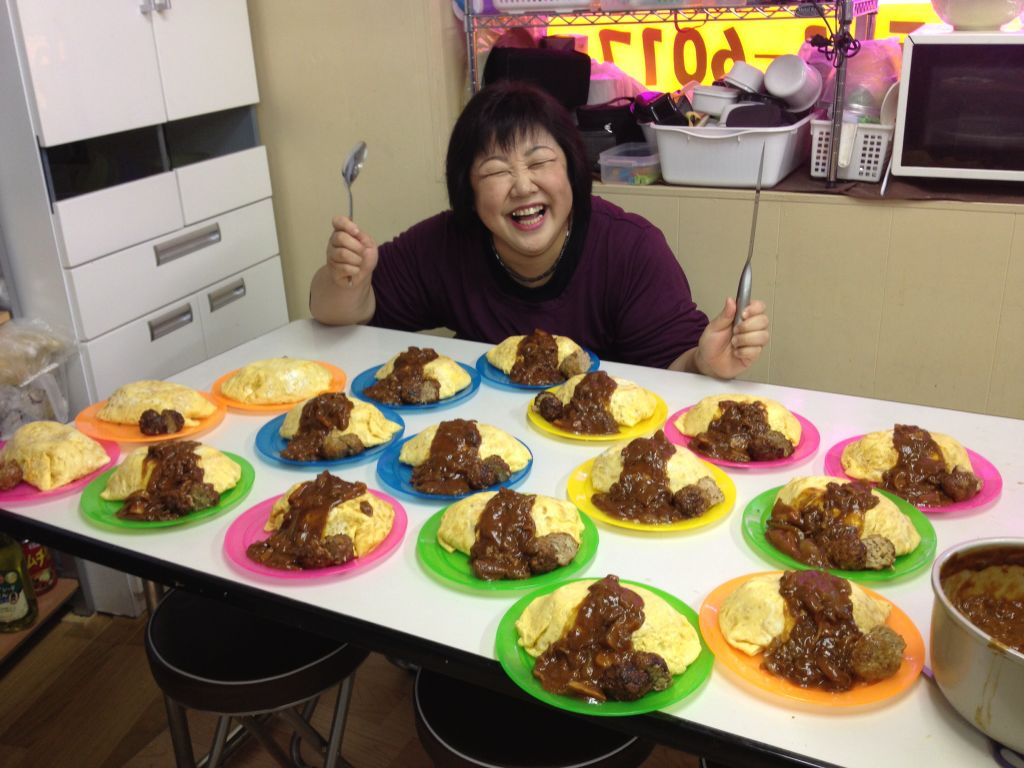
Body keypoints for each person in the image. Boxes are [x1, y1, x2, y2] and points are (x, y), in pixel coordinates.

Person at [310, 81, 769, 377]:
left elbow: (677, 370)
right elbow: (339, 313)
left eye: (540, 162)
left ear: (571, 168)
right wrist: (345, 279)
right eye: (496, 171)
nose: (523, 186)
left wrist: (704, 363)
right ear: (469, 191)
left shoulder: (629, 250)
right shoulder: (447, 242)